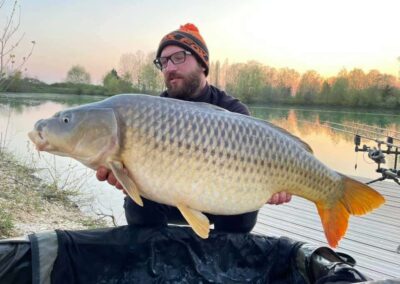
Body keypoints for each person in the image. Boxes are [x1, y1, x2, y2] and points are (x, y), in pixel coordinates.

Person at [96, 23, 292, 233]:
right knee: (136, 204)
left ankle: (223, 257)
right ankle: (154, 255)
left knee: (245, 213)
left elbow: (260, 163)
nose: (169, 68)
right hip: (165, 199)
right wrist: (125, 178)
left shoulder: (233, 110)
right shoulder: (152, 112)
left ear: (202, 63)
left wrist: (276, 186)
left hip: (219, 202)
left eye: (178, 57)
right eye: (163, 62)